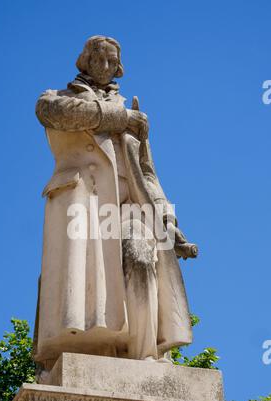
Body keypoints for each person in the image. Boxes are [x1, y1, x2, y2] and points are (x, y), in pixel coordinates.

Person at [33, 36, 197, 374]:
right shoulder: (58, 98)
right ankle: (98, 347)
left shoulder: (132, 111)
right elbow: (54, 114)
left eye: (112, 61)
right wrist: (118, 118)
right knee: (85, 295)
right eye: (100, 60)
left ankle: (145, 355)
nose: (106, 67)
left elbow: (149, 174)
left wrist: (169, 221)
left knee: (140, 254)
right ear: (86, 61)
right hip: (84, 206)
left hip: (128, 206)